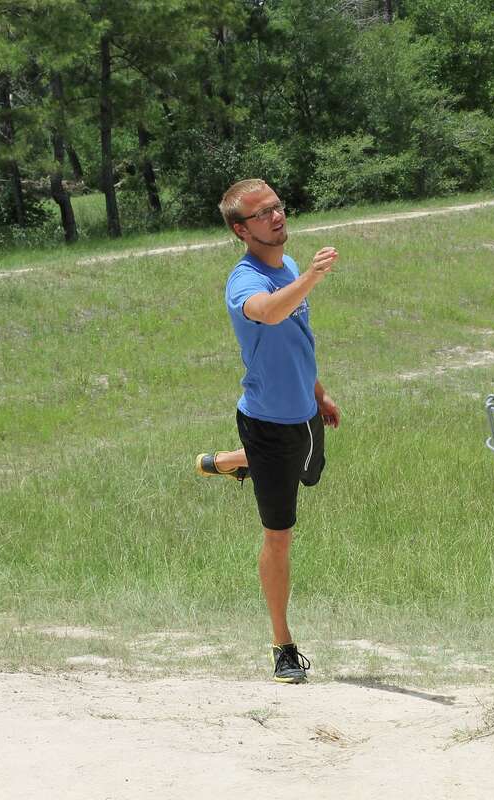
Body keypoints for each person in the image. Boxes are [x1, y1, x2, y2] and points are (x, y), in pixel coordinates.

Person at [195, 178, 341, 684]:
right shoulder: (245, 280)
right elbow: (268, 312)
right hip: (267, 422)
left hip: (304, 413)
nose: (277, 217)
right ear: (241, 229)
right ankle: (282, 644)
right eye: (263, 213)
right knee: (280, 535)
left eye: (279, 207)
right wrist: (312, 280)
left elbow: (298, 337)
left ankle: (230, 462)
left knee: (307, 475)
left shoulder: (290, 267)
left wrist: (319, 393)